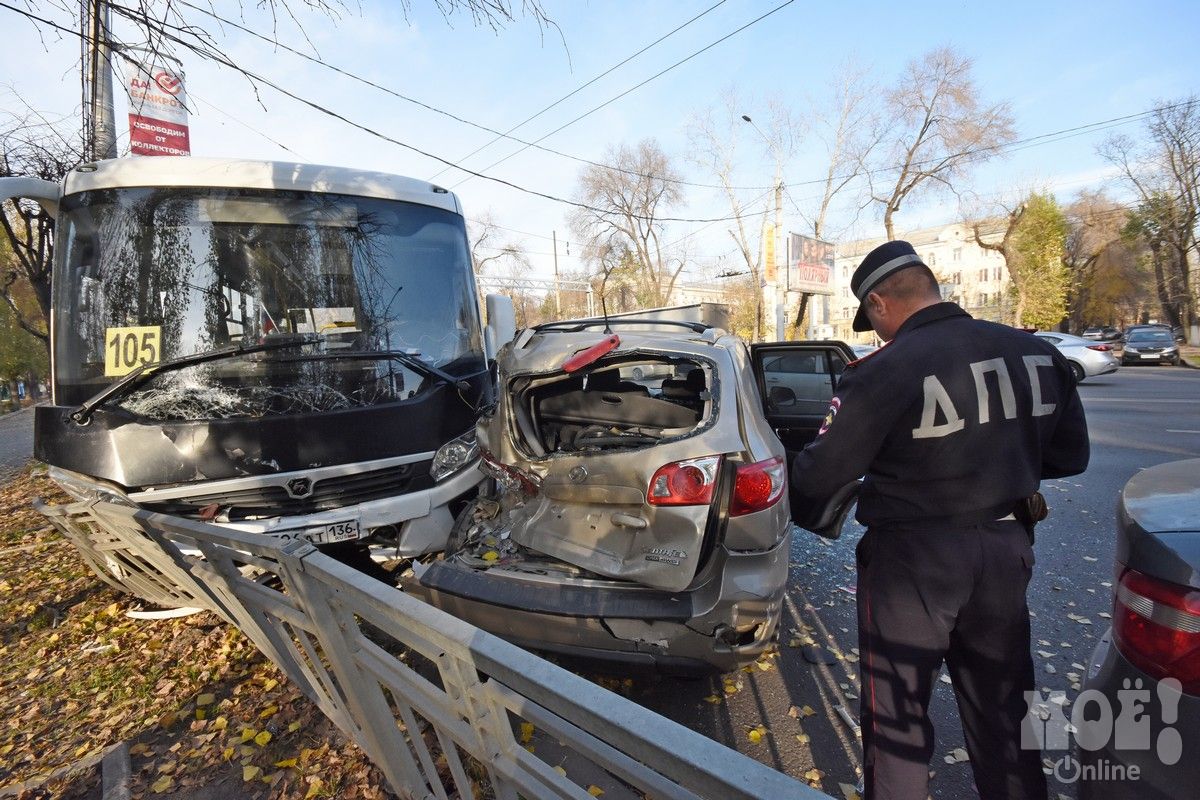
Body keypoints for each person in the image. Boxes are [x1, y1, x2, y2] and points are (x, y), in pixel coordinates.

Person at [791, 240, 1089, 800]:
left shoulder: (883, 369)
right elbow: (1070, 457)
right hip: (1005, 548)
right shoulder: (1035, 353)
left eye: (873, 319)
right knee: (1005, 709)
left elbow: (816, 479)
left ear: (879, 302)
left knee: (898, 715)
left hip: (912, 566)